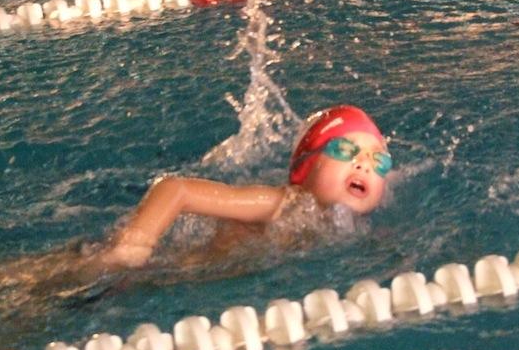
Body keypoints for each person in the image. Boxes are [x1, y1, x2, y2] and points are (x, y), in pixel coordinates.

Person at [100, 105, 393, 269]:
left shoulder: (364, 231)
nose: (364, 165)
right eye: (345, 150)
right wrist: (133, 245)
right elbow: (176, 189)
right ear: (306, 167)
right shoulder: (279, 204)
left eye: (378, 160)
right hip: (171, 267)